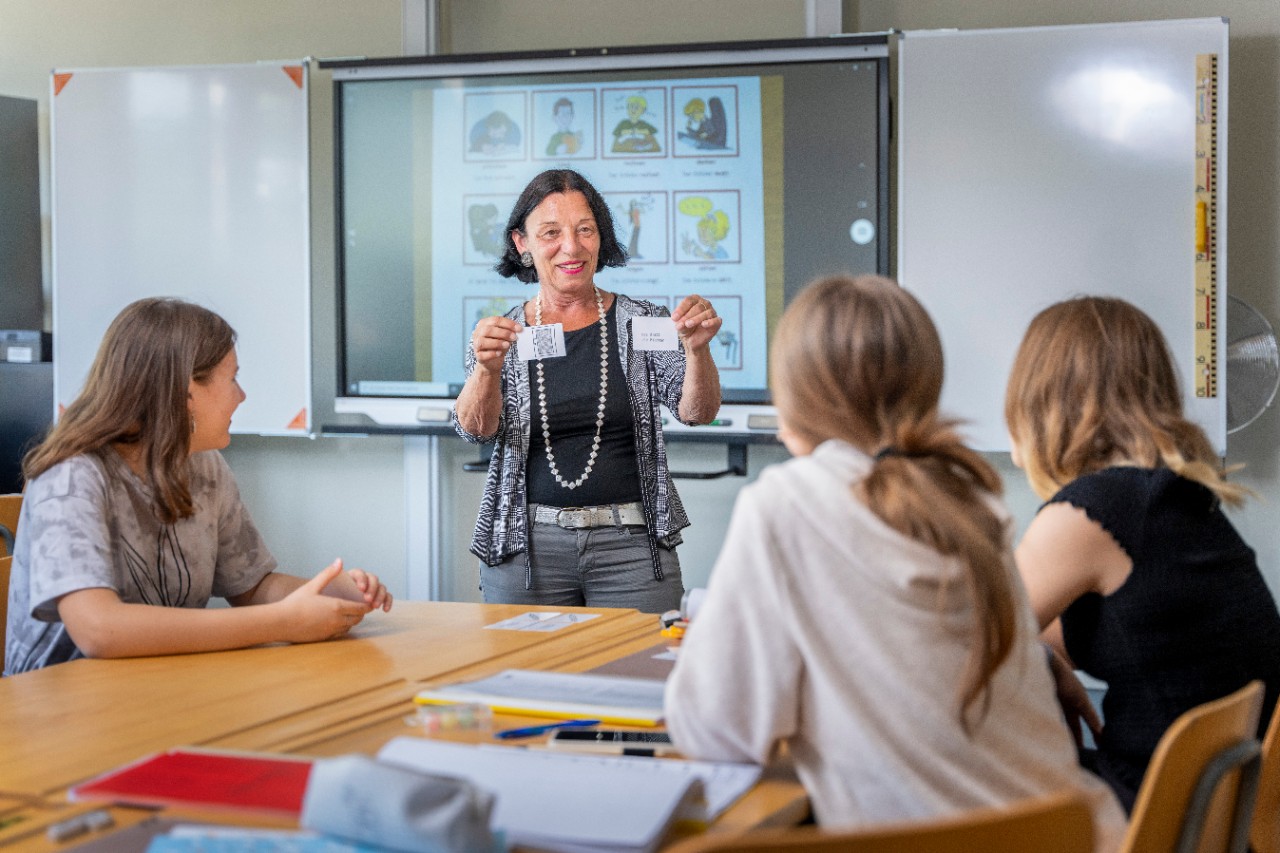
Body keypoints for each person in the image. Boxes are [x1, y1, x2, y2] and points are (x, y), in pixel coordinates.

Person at [664, 275, 1125, 846]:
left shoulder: (786, 503)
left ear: (797, 397)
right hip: (1082, 833)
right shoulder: (969, 500)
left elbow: (717, 730)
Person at [4, 298, 392, 676]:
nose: (242, 396)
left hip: (161, 687)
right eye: (233, 378)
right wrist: (280, 623)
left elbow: (250, 586)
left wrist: (328, 593)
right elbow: (98, 630)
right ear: (185, 391)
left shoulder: (204, 465)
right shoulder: (72, 475)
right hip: (61, 710)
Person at [1005, 295, 1280, 812]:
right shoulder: (1173, 502)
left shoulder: (1094, 513)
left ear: (1040, 401)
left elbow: (958, 650)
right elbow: (1030, 633)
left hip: (1148, 809)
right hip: (1204, 812)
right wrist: (1040, 656)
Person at [454, 168, 721, 613]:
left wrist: (697, 352)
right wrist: (486, 370)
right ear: (523, 244)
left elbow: (698, 411)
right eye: (551, 233)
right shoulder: (503, 334)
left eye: (585, 230)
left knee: (640, 675)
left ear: (602, 236)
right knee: (526, 680)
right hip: (527, 550)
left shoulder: (642, 320)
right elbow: (476, 431)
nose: (571, 248)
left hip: (632, 547)